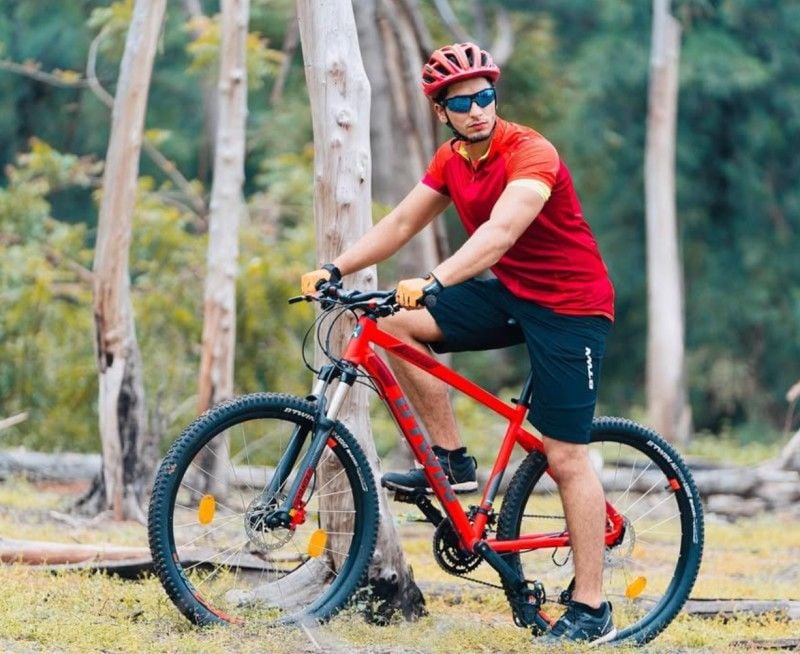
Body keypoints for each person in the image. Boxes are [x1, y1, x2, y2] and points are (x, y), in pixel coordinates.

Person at [301, 42, 616, 644]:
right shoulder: (451, 160)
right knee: (389, 323)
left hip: (572, 307)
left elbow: (499, 233)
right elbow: (398, 224)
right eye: (462, 102)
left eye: (485, 96)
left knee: (565, 455)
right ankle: (450, 460)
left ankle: (592, 605)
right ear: (441, 112)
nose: (477, 109)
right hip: (512, 294)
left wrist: (435, 280)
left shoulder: (530, 151)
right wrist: (335, 268)